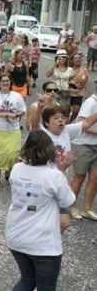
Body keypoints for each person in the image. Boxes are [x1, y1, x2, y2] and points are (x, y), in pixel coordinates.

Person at [3, 131, 75, 291]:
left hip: (16, 237)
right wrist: (63, 169)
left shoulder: (17, 169)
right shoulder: (54, 176)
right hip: (43, 243)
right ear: (50, 151)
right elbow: (68, 201)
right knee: (46, 290)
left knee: (26, 280)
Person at [69, 80, 97, 220]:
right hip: (84, 144)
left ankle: (87, 209)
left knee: (94, 178)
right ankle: (71, 206)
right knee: (79, 177)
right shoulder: (91, 103)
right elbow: (81, 124)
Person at [45, 49, 72, 117]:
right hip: (54, 92)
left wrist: (71, 88)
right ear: (57, 58)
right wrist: (55, 64)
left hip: (65, 92)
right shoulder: (54, 68)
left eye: (64, 57)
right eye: (61, 57)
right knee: (53, 110)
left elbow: (71, 81)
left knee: (63, 110)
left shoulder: (70, 69)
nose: (63, 59)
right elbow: (47, 75)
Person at [68, 52, 89, 123]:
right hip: (68, 92)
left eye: (79, 58)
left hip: (78, 93)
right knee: (65, 110)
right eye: (75, 58)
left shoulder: (84, 70)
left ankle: (69, 123)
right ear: (72, 60)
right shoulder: (69, 69)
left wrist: (87, 91)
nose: (78, 59)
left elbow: (86, 81)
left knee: (76, 111)